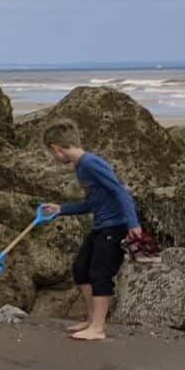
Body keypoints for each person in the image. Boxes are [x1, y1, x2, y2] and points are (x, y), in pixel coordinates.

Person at [37, 120, 138, 341]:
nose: (54, 157)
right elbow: (93, 204)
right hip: (101, 225)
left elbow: (121, 192)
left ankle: (98, 328)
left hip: (115, 226)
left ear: (56, 148)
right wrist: (60, 209)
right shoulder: (81, 166)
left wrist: (133, 225)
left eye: (52, 153)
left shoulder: (90, 163)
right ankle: (92, 321)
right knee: (81, 268)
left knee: (100, 274)